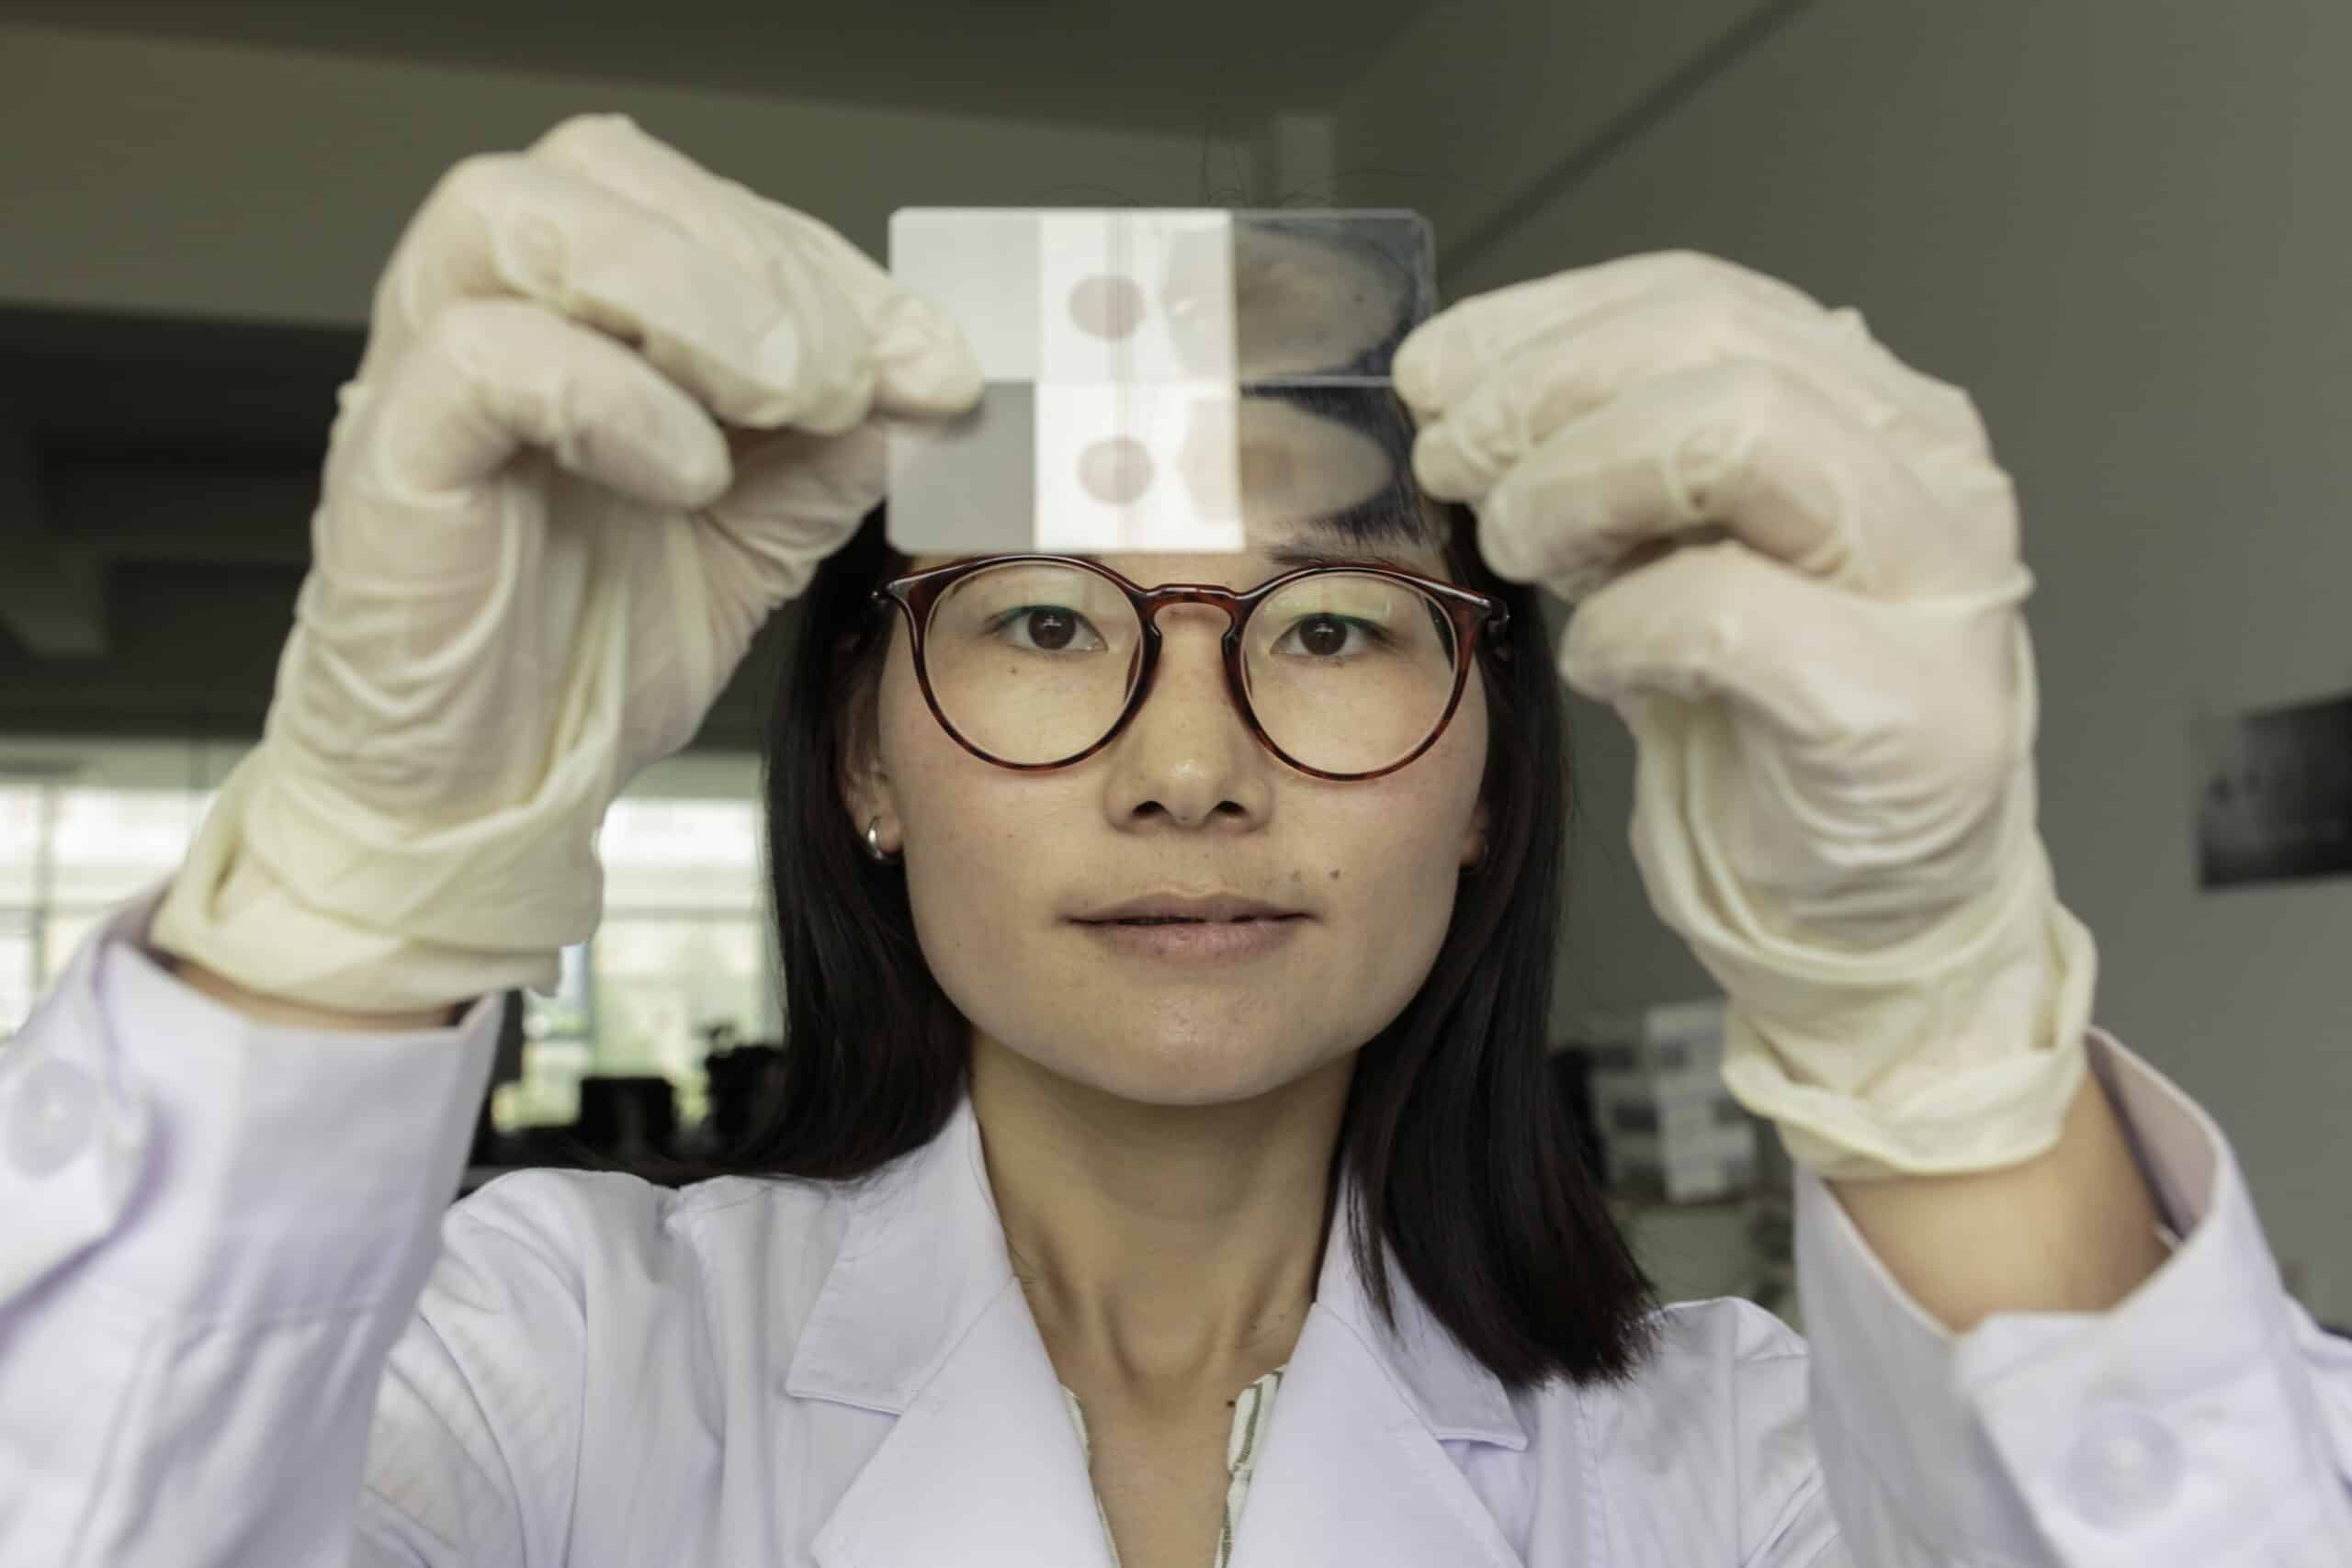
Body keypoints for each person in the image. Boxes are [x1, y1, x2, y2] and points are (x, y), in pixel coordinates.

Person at [3, 113, 2347, 1567]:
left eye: (1326, 629)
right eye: (1040, 620)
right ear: (863, 763)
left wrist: (1932, 1036)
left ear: (1488, 771)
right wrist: (351, 888)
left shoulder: (1736, 1468)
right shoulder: (547, 1363)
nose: (1188, 763)